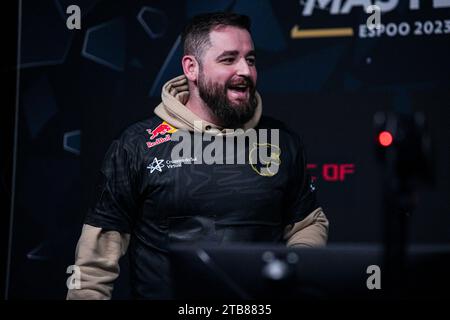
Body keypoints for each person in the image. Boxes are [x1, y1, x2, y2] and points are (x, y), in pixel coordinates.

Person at [67, 12, 329, 300]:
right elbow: (93, 267)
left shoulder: (281, 141)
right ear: (191, 68)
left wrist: (296, 273)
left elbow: (308, 223)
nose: (245, 71)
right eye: (229, 59)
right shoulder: (137, 145)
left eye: (251, 60)